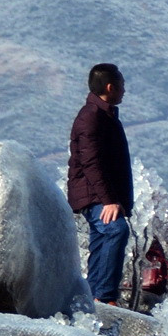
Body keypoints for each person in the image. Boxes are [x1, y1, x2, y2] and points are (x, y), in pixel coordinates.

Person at [68, 62, 136, 305]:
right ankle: (104, 297)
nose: (125, 91)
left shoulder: (101, 115)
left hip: (98, 193)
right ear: (111, 87)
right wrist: (108, 200)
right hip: (94, 193)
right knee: (116, 230)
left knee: (101, 238)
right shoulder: (91, 118)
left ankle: (91, 296)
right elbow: (91, 163)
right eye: (122, 86)